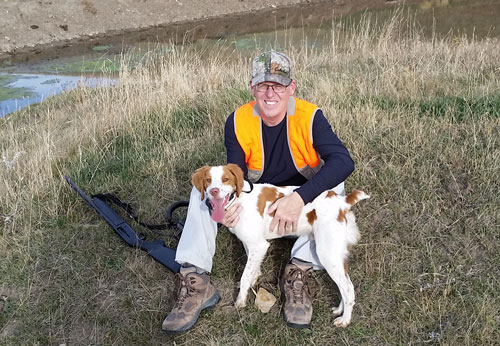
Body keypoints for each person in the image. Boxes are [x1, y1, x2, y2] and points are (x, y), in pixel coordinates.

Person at [162, 50, 354, 334]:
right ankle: (195, 277)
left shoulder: (310, 116)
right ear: (252, 88)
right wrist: (227, 206)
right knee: (202, 193)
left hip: (302, 192)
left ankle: (299, 268)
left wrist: (299, 198)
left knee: (335, 185)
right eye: (264, 85)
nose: (270, 93)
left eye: (278, 85)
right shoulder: (238, 120)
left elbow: (344, 162)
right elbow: (235, 173)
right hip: (259, 195)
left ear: (292, 87)